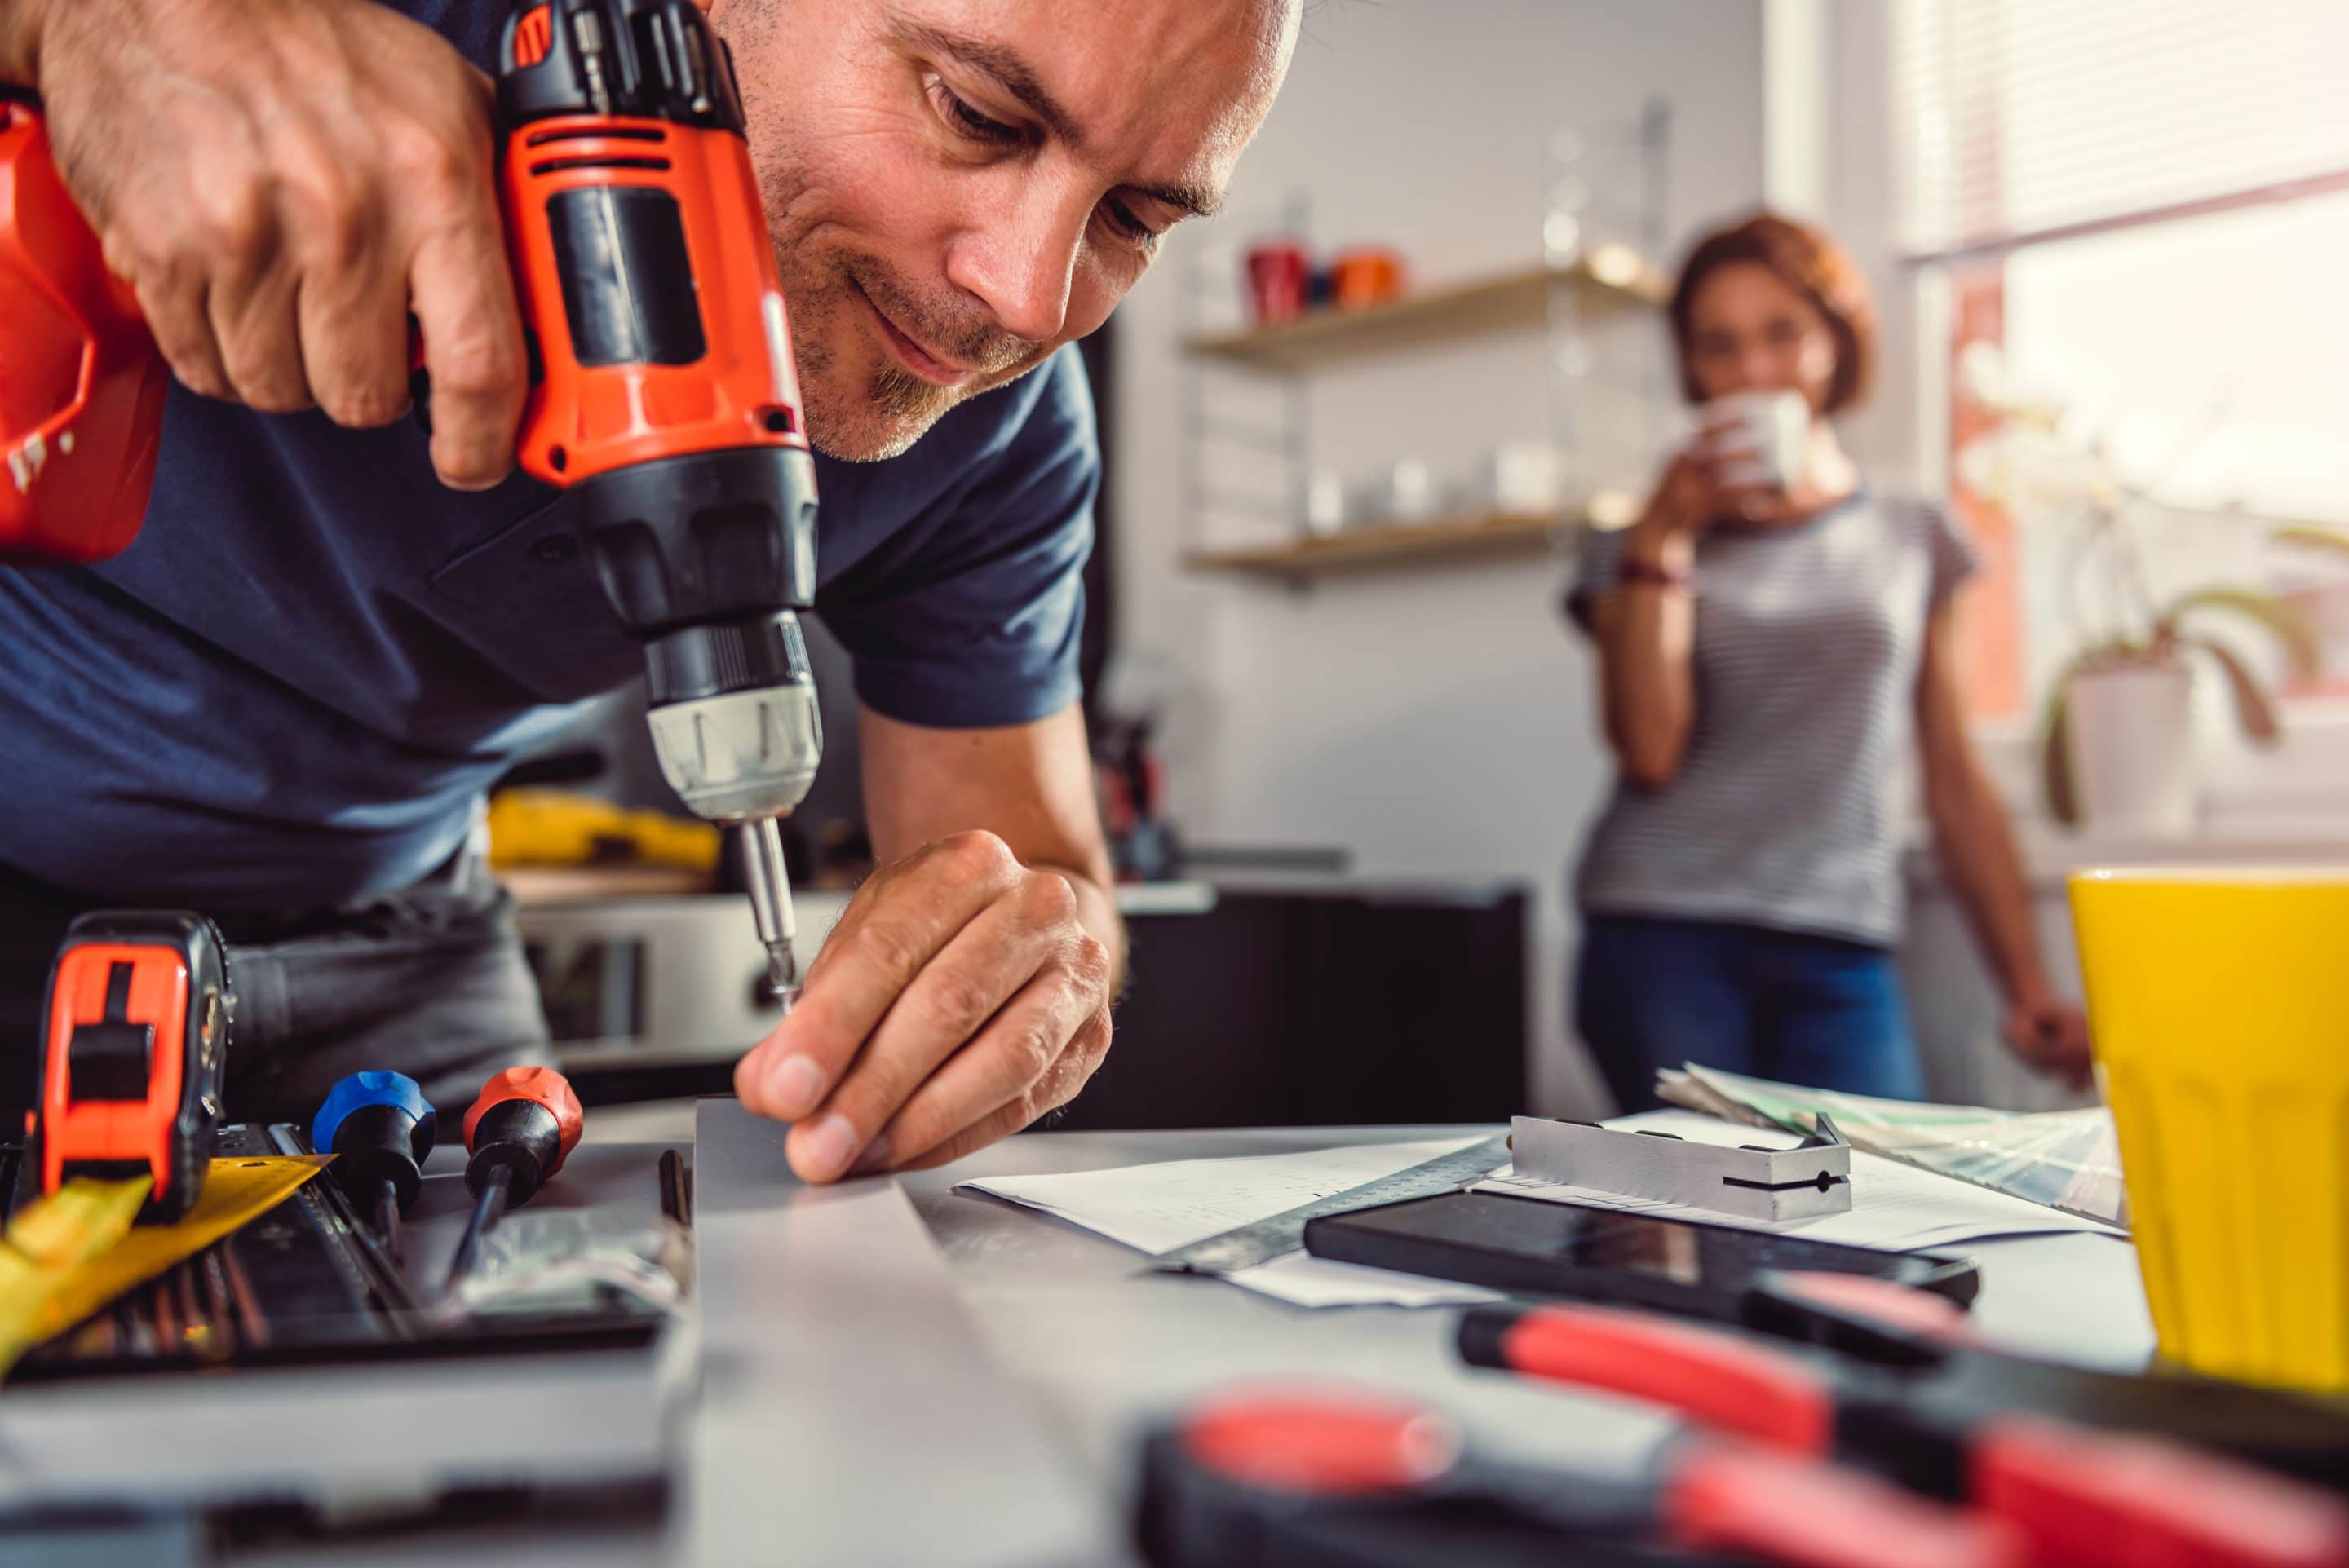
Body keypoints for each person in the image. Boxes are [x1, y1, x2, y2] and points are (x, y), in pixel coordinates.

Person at [0, 0, 1298, 1182]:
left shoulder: (999, 434)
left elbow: (1031, 859)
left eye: (1132, 217)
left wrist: (1033, 964)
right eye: (977, 114)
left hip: (402, 910)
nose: (1020, 293)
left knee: (543, 1351)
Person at [1566, 213, 2093, 1110]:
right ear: (1691, 366)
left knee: (1874, 1219)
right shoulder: (1633, 544)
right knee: (1696, 1232)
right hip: (1661, 931)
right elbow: (1649, 750)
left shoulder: (1912, 534)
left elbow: (1953, 775)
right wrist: (1663, 533)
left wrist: (2027, 986)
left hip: (1839, 938)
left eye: (1783, 335)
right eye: (1719, 346)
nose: (1754, 372)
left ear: (1836, 346)